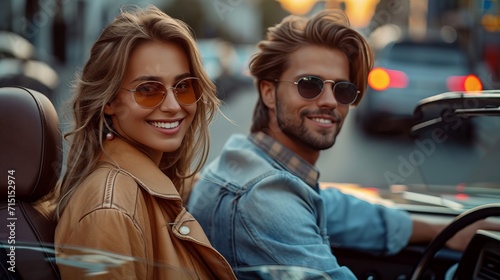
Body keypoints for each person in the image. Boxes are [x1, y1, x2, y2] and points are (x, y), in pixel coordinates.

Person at [186, 9, 500, 279]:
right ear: (268, 92)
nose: (328, 101)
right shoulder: (263, 196)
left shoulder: (253, 161)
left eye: (343, 90)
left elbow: (339, 209)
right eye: (309, 85)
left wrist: (444, 232)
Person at [54, 5, 236, 279]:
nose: (174, 106)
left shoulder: (156, 181)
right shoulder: (109, 213)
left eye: (184, 86)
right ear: (110, 101)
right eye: (148, 90)